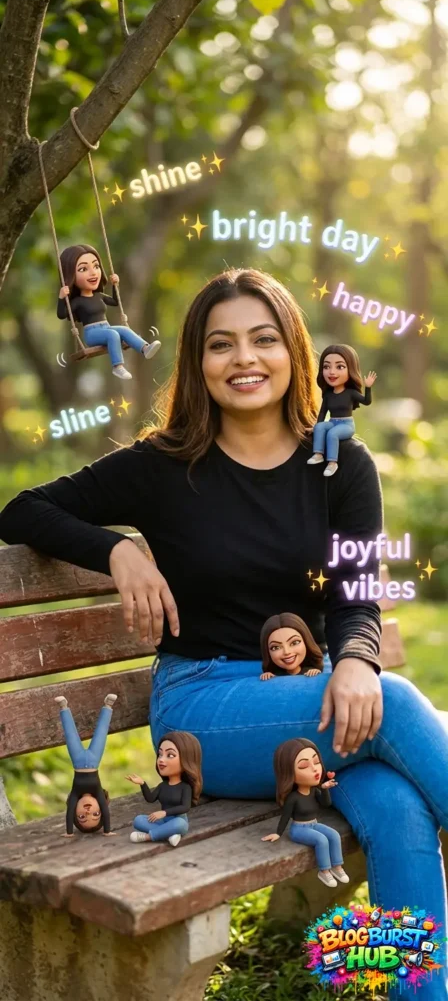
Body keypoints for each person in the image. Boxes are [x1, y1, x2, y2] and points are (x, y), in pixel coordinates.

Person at [0, 267, 446, 999]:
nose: (245, 359)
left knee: (398, 808)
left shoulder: (341, 465)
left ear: (293, 352)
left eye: (264, 339)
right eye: (221, 344)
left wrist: (356, 658)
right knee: (393, 705)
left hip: (312, 701)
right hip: (203, 708)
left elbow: (356, 597)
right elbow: (21, 510)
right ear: (197, 363)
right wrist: (120, 549)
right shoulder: (163, 467)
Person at [57, 244, 160, 379]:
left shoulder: (99, 296)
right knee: (113, 335)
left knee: (124, 330)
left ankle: (145, 348)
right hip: (92, 333)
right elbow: (62, 314)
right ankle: (118, 367)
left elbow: (115, 302)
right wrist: (61, 297)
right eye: (83, 269)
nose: (93, 272)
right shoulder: (78, 301)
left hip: (106, 327)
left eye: (96, 266)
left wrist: (114, 286)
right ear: (71, 275)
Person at [261, 738, 348, 888]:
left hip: (314, 824)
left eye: (316, 762)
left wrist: (325, 789)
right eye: (304, 766)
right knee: (321, 840)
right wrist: (278, 833)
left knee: (333, 834)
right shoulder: (293, 798)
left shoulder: (315, 791)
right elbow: (286, 816)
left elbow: (326, 804)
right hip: (298, 829)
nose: (315, 769)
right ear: (289, 773)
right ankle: (324, 871)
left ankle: (337, 867)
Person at [307, 344, 376, 476]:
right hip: (332, 421)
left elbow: (367, 402)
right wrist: (315, 427)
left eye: (340, 367)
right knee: (321, 427)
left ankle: (332, 463)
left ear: (350, 370)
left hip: (346, 425)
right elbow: (323, 412)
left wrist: (368, 388)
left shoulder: (350, 393)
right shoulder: (328, 394)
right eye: (327, 367)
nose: (332, 372)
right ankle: (318, 454)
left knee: (333, 434)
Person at [56, 692, 117, 836]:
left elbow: (68, 812)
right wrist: (107, 831)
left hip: (77, 759)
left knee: (70, 734)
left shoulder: (75, 794)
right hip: (94, 759)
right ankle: (108, 706)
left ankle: (64, 707)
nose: (88, 811)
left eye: (82, 817)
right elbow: (106, 813)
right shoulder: (97, 791)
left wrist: (69, 833)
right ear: (101, 808)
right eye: (96, 814)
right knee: (101, 734)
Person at [126, 731, 202, 846]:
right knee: (138, 820)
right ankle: (169, 834)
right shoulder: (163, 786)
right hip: (162, 822)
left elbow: (185, 807)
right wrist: (142, 783)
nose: (161, 760)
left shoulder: (185, 787)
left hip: (177, 820)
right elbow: (150, 799)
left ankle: (148, 836)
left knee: (179, 824)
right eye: (160, 754)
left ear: (186, 760)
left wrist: (164, 812)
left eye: (170, 755)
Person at [260, 612, 323, 679]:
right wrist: (267, 676)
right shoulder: (276, 676)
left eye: (295, 643)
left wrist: (315, 672)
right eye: (276, 647)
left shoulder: (308, 671)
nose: (287, 652)